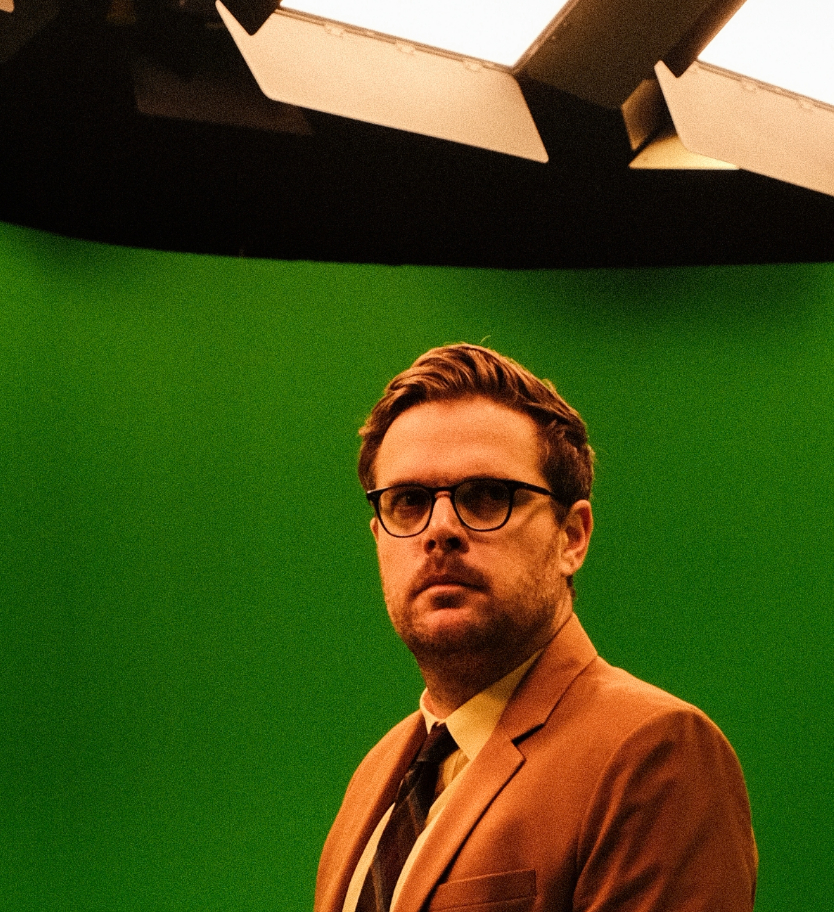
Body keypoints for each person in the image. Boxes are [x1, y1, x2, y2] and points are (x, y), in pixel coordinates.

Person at [316, 344, 756, 912]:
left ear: (571, 536)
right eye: (408, 501)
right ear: (378, 537)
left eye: (485, 496)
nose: (440, 529)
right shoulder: (377, 776)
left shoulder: (654, 755)